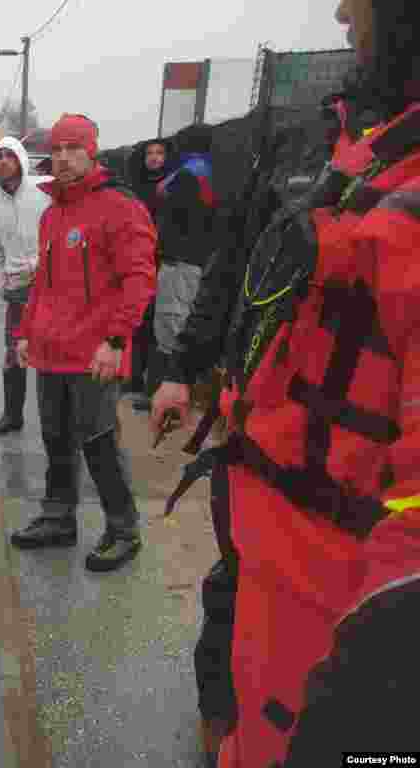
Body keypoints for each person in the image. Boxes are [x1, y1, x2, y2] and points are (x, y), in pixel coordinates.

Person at [152, 0, 420, 763]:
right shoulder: (315, 142)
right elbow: (238, 267)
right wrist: (182, 369)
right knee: (225, 622)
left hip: (338, 580)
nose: (339, 12)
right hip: (259, 490)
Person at [10, 114, 157, 572]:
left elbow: (139, 278)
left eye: (74, 148)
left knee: (98, 442)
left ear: (92, 152)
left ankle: (123, 528)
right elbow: (44, 285)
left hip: (95, 354)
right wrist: (25, 334)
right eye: (56, 149)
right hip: (51, 351)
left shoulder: (120, 207)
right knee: (54, 440)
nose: (64, 157)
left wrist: (115, 339)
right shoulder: (53, 214)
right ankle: (58, 518)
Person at [0, 136, 52, 436]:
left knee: (53, 355)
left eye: (9, 156)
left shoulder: (45, 190)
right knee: (14, 354)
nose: (3, 162)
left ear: (21, 159)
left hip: (52, 286)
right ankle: (13, 416)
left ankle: (57, 422)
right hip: (17, 289)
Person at [147, 123, 216, 403]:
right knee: (177, 319)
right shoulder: (206, 172)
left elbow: (176, 218)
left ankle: (166, 393)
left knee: (170, 324)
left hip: (180, 262)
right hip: (193, 261)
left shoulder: (187, 176)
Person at [125, 137, 173, 410]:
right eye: (150, 153)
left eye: (159, 153)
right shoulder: (138, 187)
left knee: (157, 324)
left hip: (161, 261)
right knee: (138, 319)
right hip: (139, 260)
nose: (154, 158)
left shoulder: (173, 186)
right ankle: (133, 376)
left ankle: (149, 383)